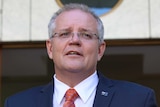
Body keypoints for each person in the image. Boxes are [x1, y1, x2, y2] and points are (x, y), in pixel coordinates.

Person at [4, 3, 157, 107]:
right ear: (50, 48)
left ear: (100, 50)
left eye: (86, 35)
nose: (74, 40)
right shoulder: (18, 103)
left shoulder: (137, 100)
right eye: (64, 34)